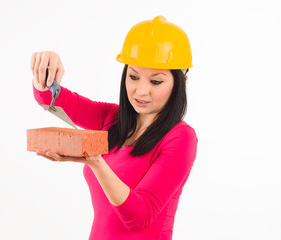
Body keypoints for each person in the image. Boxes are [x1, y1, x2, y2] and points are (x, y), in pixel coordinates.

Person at [30, 16, 198, 240]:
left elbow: (139, 218)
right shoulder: (112, 118)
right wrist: (45, 73)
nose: (140, 91)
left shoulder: (181, 138)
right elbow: (51, 99)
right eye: (133, 76)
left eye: (156, 81)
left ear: (181, 83)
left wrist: (96, 162)